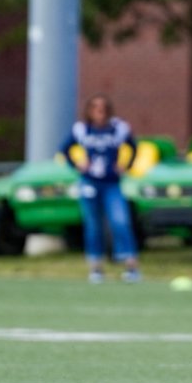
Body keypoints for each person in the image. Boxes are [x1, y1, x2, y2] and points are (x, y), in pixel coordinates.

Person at [61, 94, 141, 284]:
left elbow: (133, 147)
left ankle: (131, 265)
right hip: (89, 183)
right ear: (89, 110)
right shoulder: (82, 129)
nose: (100, 111)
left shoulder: (118, 128)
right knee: (93, 225)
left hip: (112, 184)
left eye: (103, 107)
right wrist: (78, 165)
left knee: (120, 221)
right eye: (95, 107)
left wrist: (126, 165)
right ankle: (96, 267)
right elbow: (64, 149)